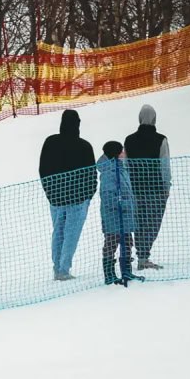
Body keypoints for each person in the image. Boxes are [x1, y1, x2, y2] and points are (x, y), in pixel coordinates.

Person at [38, 109, 97, 281]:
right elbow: (91, 173)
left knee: (58, 233)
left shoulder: (50, 142)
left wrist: (50, 192)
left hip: (56, 199)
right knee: (71, 234)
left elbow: (43, 170)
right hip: (78, 200)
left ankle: (58, 268)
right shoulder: (84, 146)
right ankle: (63, 269)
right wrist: (88, 194)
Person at [123, 104, 172, 270]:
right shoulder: (161, 140)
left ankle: (141, 255)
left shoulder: (129, 140)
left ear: (139, 118)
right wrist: (166, 186)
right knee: (152, 223)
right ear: (154, 119)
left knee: (139, 222)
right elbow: (165, 165)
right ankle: (144, 256)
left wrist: (127, 187)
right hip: (156, 190)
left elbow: (125, 165)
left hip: (135, 190)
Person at [97, 141, 138, 286]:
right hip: (113, 216)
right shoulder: (109, 172)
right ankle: (109, 274)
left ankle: (126, 270)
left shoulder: (121, 168)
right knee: (111, 243)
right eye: (122, 151)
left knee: (127, 242)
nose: (124, 153)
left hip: (125, 215)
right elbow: (108, 196)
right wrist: (125, 204)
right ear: (116, 154)